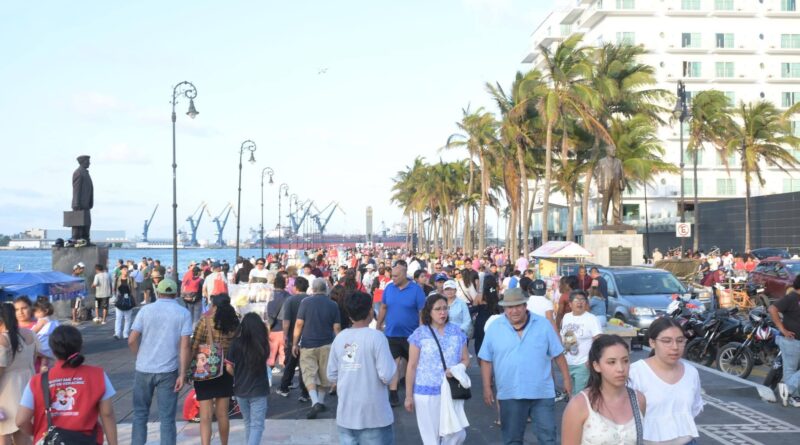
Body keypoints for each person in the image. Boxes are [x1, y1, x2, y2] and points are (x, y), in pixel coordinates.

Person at [478, 288, 572, 445]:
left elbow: (558, 354)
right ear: (504, 308)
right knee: (512, 439)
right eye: (509, 307)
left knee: (547, 438)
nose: (514, 310)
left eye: (518, 306)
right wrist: (486, 387)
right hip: (510, 393)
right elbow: (486, 360)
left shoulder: (543, 324)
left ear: (525, 305)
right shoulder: (495, 327)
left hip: (541, 392)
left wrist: (567, 379)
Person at [16, 325, 118, 445]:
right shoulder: (98, 375)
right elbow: (107, 414)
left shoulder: (37, 381)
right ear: (80, 346)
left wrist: (37, 432)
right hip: (86, 440)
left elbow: (21, 421)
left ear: (53, 350)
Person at [128, 278, 192, 445]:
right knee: (167, 418)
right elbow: (185, 346)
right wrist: (183, 373)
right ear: (176, 293)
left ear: (158, 292)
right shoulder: (183, 313)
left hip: (144, 368)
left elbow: (132, 340)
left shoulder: (145, 310)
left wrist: (139, 356)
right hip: (168, 370)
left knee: (140, 414)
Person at [327, 292, 397, 444]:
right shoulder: (377, 337)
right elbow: (387, 374)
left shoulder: (340, 338)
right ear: (370, 311)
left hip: (346, 415)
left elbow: (331, 375)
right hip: (374, 417)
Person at [405, 294, 470, 445]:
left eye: (445, 308)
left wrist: (457, 369)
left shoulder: (457, 331)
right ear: (429, 312)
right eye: (438, 309)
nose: (442, 312)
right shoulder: (419, 334)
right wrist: (408, 396)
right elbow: (412, 366)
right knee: (431, 438)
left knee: (456, 433)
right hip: (426, 392)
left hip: (452, 390)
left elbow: (466, 359)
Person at [560, 335, 646, 445]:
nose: (620, 368)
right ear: (596, 366)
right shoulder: (579, 405)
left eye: (625, 361)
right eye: (611, 362)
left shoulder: (638, 399)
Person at [629, 317, 703, 444]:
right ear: (652, 343)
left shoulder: (691, 372)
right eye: (666, 341)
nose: (675, 347)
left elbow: (694, 409)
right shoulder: (635, 372)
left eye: (680, 341)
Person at [375, 261, 427, 407]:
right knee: (393, 364)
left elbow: (421, 312)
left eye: (396, 276)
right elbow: (384, 307)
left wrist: (421, 331)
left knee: (413, 364)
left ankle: (415, 391)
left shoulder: (416, 290)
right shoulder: (389, 288)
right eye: (392, 276)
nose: (393, 279)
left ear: (405, 275)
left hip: (411, 335)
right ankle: (393, 393)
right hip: (392, 333)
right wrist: (379, 324)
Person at [192, 294, 239, 445]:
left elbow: (194, 345)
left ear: (215, 306)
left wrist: (189, 367)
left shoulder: (205, 320)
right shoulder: (234, 322)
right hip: (226, 370)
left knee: (205, 415)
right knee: (223, 414)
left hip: (205, 368)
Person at [292, 278, 341, 419]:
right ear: (325, 289)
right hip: (327, 344)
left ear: (312, 289)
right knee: (324, 374)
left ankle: (314, 402)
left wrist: (295, 343)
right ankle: (320, 401)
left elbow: (299, 324)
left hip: (308, 344)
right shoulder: (333, 304)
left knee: (309, 374)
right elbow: (336, 327)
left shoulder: (305, 302)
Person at [225, 313, 269, 445]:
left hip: (240, 389)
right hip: (259, 389)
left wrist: (238, 376)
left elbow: (228, 367)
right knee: (257, 426)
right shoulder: (263, 344)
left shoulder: (235, 344)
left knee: (248, 423)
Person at [0, 303, 37, 445]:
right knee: (23, 437)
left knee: (3, 437)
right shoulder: (30, 334)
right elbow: (33, 361)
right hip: (27, 393)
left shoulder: (2, 340)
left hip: (5, 396)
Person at [560, 290, 602, 396]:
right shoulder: (566, 317)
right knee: (570, 393)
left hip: (582, 364)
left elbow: (598, 340)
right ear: (570, 304)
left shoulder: (591, 319)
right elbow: (563, 336)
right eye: (576, 300)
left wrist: (590, 359)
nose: (580, 303)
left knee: (580, 395)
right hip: (567, 362)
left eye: (583, 300)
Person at [277, 276, 311, 401]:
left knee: (290, 364)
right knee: (305, 366)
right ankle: (305, 392)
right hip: (308, 337)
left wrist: (285, 335)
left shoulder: (290, 300)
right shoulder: (310, 299)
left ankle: (284, 387)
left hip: (293, 337)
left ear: (295, 287)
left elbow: (286, 321)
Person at [770, 274, 800, 407]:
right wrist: (783, 330)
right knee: (790, 369)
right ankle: (794, 396)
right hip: (791, 340)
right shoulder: (791, 298)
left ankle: (788, 390)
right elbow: (773, 309)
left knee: (791, 370)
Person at [474, 273, 501, 364]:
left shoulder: (480, 296)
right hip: (494, 322)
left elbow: (474, 308)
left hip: (481, 322)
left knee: (480, 343)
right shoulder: (497, 295)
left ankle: (482, 364)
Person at [267, 274, 290, 372]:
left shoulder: (271, 296)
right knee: (284, 357)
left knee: (271, 357)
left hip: (273, 329)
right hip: (285, 330)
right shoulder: (289, 296)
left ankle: (268, 380)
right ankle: (286, 381)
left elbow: (270, 315)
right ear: (284, 285)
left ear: (274, 284)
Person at [31, 298, 59, 371]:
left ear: (46, 311)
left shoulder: (42, 320)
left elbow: (35, 330)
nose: (35, 314)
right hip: (48, 344)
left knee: (35, 353)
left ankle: (36, 367)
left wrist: (27, 332)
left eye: (37, 312)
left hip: (42, 343)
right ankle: (43, 366)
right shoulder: (51, 320)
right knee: (45, 357)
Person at [113, 265, 136, 340]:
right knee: (118, 317)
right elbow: (114, 289)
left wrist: (134, 300)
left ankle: (125, 333)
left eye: (126, 269)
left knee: (128, 318)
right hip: (119, 299)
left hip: (128, 299)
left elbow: (134, 289)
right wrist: (115, 298)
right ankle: (117, 333)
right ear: (121, 271)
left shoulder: (131, 279)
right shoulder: (117, 279)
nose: (126, 270)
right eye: (124, 269)